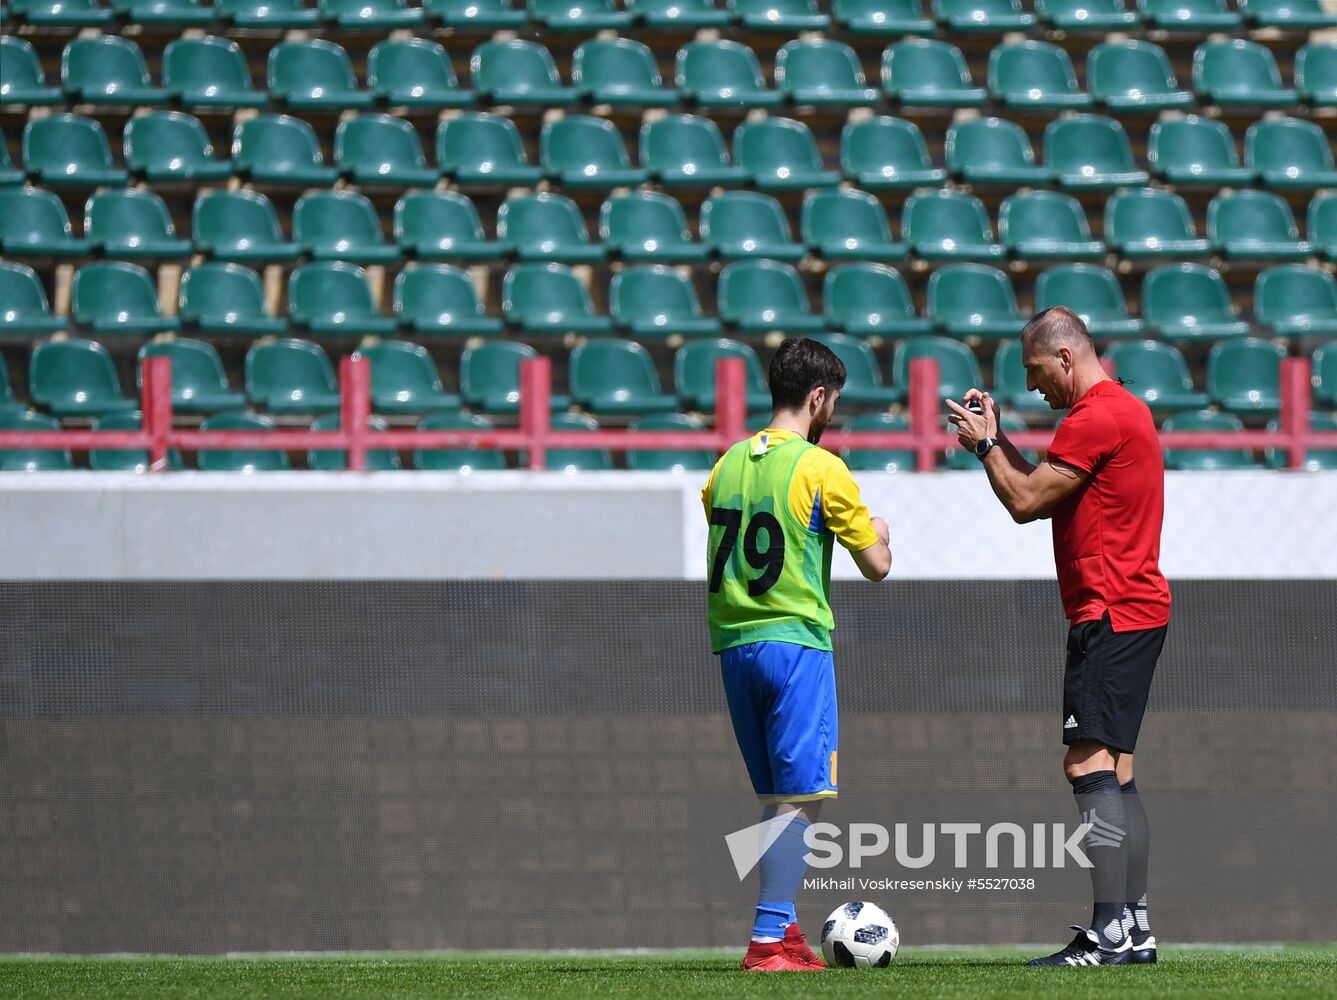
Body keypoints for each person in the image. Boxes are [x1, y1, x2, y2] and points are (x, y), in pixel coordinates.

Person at [947, 306, 1170, 968]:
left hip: (1108, 613)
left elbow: (1022, 502)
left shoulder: (1095, 416)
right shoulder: (1119, 410)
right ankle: (1133, 929)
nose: (1034, 385)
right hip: (1137, 610)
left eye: (1036, 371)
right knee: (1117, 771)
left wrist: (987, 446)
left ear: (1065, 357)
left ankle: (1106, 935)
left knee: (1085, 765)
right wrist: (997, 443)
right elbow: (1037, 485)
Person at [701, 337, 893, 973]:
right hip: (794, 643)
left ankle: (781, 929)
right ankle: (764, 942)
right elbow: (878, 565)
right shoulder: (820, 467)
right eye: (833, 402)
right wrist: (881, 532)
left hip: (733, 645)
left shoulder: (725, 465)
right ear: (818, 397)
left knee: (779, 797)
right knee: (803, 795)